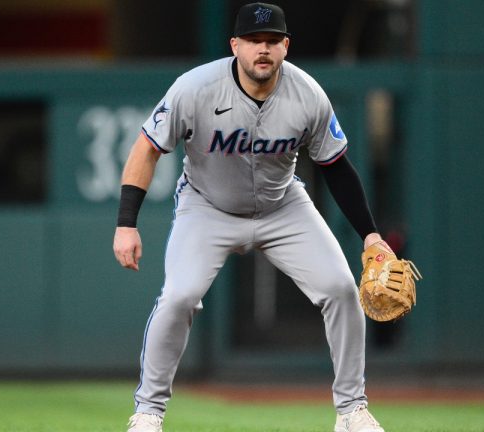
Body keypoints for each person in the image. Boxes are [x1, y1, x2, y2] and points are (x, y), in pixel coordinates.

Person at [114, 3, 394, 431]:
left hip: (283, 206)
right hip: (207, 207)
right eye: (253, 41)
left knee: (340, 288)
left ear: (285, 45)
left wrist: (371, 235)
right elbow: (147, 147)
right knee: (179, 297)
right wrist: (126, 222)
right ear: (235, 46)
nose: (262, 49)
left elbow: (335, 166)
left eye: (271, 41)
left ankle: (352, 410)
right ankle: (148, 413)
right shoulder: (196, 88)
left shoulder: (308, 94)